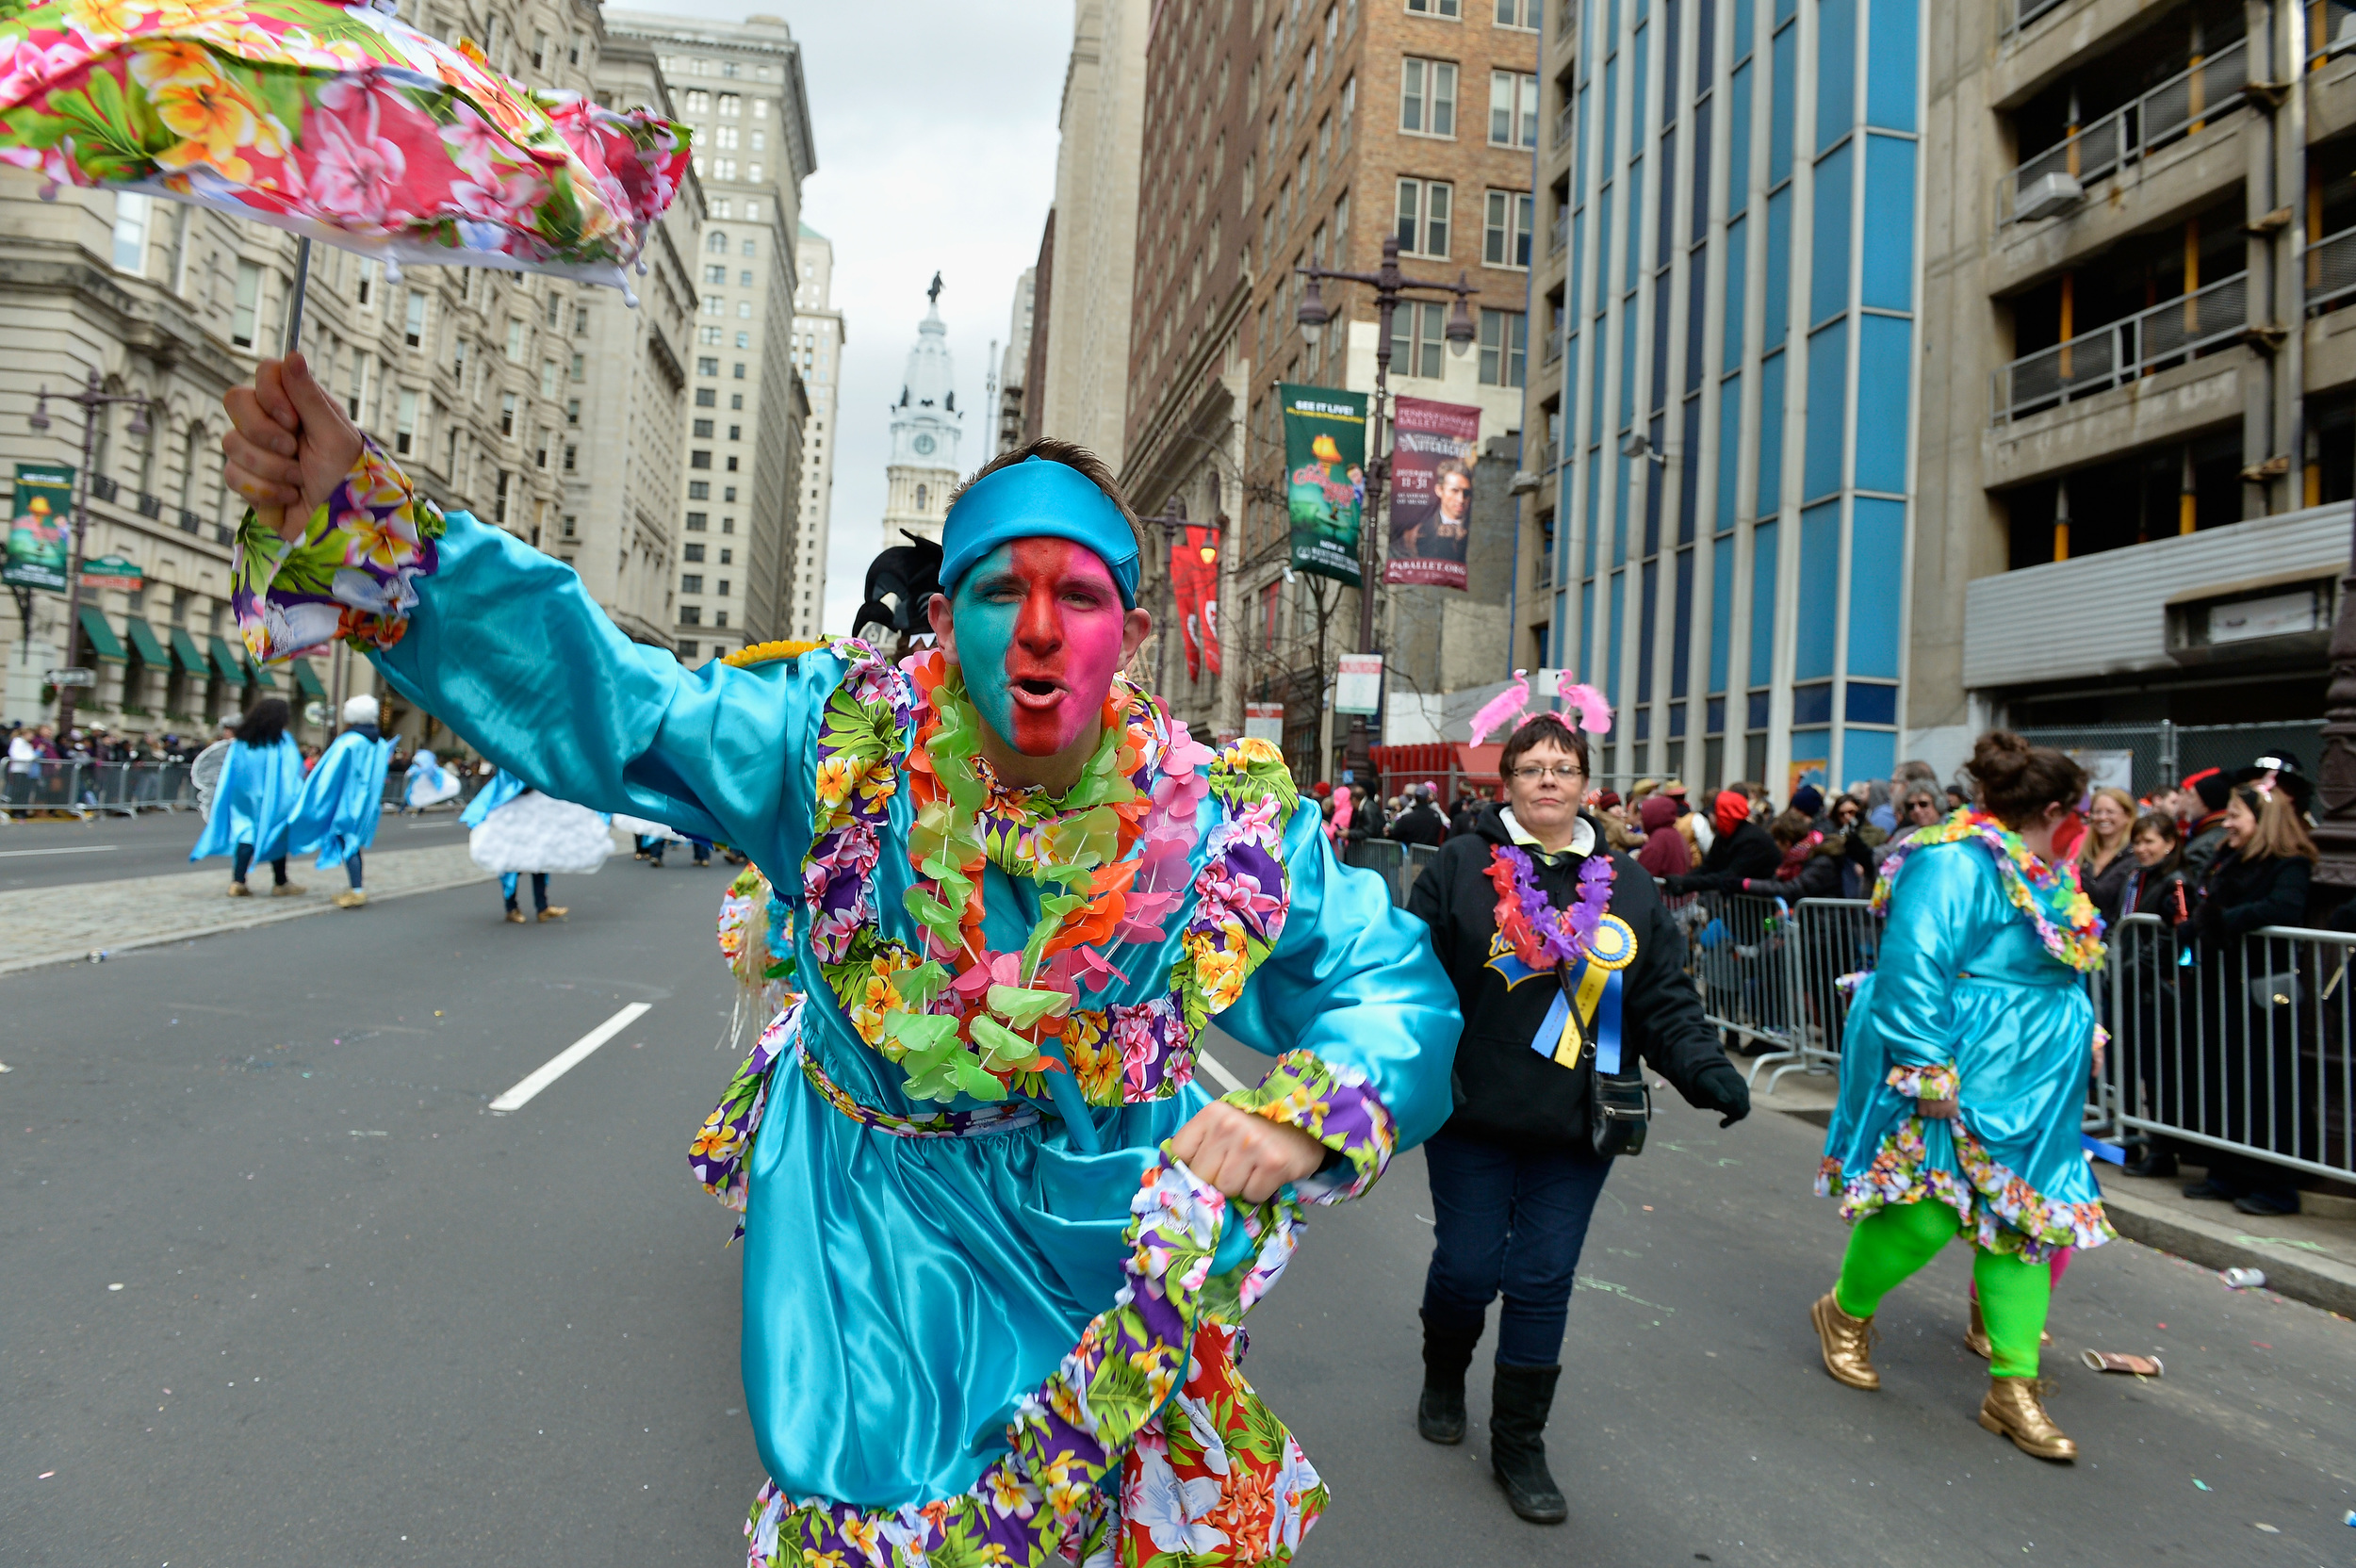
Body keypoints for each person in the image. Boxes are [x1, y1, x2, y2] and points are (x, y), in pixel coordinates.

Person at [221, 356, 1461, 1561]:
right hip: (876, 1256)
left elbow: (1384, 981)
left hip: (1103, 1244)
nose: (1036, 630)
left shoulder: (1222, 820)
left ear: (1130, 631)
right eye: (996, 592)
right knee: (886, 1529)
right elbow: (620, 698)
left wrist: (1307, 1111)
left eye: (1076, 597)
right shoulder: (829, 752)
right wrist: (373, 534)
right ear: (939, 617)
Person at [1404, 712, 1748, 1524]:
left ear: (1586, 784)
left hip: (1578, 1121)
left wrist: (1704, 1068)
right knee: (1466, 1270)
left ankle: (1520, 1444)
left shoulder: (1626, 884)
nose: (1548, 779)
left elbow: (1662, 996)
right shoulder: (1460, 865)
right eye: (1532, 768)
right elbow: (1410, 979)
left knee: (1541, 1280)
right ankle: (1443, 1372)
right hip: (1471, 1113)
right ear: (1508, 784)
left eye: (1563, 767)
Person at [1810, 732, 2111, 1462]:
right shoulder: (1950, 859)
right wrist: (1927, 1068)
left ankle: (2013, 1389)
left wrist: (2077, 1019)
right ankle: (1843, 1313)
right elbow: (1915, 964)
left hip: (2034, 1077)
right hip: (1962, 1059)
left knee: (2026, 1226)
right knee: (1925, 1218)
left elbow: (2047, 958)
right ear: (2051, 807)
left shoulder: (2044, 868)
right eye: (2075, 811)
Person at [2177, 784, 2316, 1217]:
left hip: (2262, 993)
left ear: (2264, 820)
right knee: (2225, 1082)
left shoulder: (2289, 863)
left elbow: (2283, 909)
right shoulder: (2228, 858)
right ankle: (2227, 1172)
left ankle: (2275, 1184)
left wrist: (2220, 921)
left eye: (2237, 815)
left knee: (2265, 1086)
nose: (2229, 823)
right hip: (2221, 990)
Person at [2117, 812, 2194, 1180]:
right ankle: (2131, 1141)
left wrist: (2135, 970)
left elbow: (2171, 937)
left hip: (2156, 990)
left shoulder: (2175, 881)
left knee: (2158, 1072)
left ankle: (2162, 1150)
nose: (2142, 849)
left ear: (2169, 843)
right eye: (2138, 841)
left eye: (2149, 841)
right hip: (2130, 986)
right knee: (2130, 1066)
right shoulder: (2136, 879)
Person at [188, 696, 305, 897]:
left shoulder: (243, 740)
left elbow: (232, 769)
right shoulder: (282, 740)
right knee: (277, 833)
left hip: (244, 795)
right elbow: (293, 770)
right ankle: (280, 881)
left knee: (246, 833)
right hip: (274, 796)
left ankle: (238, 880)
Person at [286, 694, 395, 908]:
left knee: (349, 842)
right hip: (365, 803)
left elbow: (328, 773)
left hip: (348, 802)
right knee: (352, 842)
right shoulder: (378, 743)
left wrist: (314, 795)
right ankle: (355, 887)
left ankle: (357, 890)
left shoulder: (349, 742)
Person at [462, 766, 610, 922]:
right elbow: (508, 785)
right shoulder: (513, 759)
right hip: (515, 818)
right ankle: (511, 908)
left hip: (535, 817)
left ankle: (542, 907)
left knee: (540, 860)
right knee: (511, 863)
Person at [1664, 789, 1781, 895]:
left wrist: (1686, 883)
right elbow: (1708, 866)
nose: (1710, 817)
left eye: (1714, 813)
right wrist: (1683, 881)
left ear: (1723, 816)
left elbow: (1729, 877)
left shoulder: (1752, 840)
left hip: (1760, 905)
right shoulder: (1725, 837)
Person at [2077, 785, 2137, 928]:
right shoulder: (2084, 855)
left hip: (2115, 940)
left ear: (2127, 816)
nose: (2102, 817)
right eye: (2097, 812)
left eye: (2110, 812)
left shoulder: (2134, 856)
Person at [2178, 768, 2233, 879]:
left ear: (2206, 802)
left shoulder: (2207, 844)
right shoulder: (2203, 833)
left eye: (2192, 796)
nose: (2188, 802)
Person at [1633, 792, 1690, 881]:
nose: (1640, 823)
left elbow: (1643, 872)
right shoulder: (1674, 833)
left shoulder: (1659, 839)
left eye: (1642, 818)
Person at [1388, 783, 1448, 847]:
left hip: (1411, 855)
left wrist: (1389, 832)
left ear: (1415, 798)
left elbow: (1396, 834)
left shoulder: (1406, 818)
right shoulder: (1436, 817)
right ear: (1428, 798)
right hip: (1431, 855)